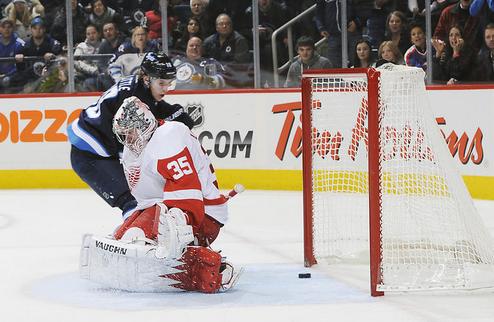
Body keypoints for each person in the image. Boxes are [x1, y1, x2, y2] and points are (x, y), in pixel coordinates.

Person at [80, 95, 240, 293]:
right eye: (124, 134)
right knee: (122, 238)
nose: (128, 139)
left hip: (204, 214)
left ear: (144, 124)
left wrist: (177, 229)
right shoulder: (137, 151)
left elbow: (187, 191)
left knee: (136, 238)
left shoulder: (168, 136)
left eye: (131, 132)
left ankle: (213, 269)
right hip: (170, 207)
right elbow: (147, 201)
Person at [67, 52, 194, 220]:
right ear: (146, 78)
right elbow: (139, 141)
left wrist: (177, 116)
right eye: (161, 83)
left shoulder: (142, 90)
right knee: (133, 201)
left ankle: (149, 234)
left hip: (103, 150)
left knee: (147, 197)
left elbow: (159, 108)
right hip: (90, 157)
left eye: (169, 83)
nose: (165, 89)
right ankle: (135, 236)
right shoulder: (133, 98)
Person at [0, 17, 24, 92]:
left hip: (13, 79)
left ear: (13, 28)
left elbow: (22, 68)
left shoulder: (20, 44)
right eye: (3, 27)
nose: (6, 30)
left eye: (9, 27)